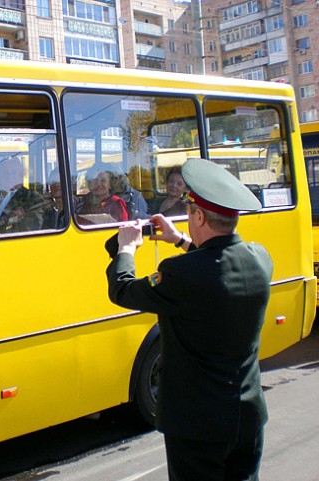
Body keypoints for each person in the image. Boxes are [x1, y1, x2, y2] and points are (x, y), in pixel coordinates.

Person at [105, 158, 271, 481]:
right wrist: (180, 239)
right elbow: (216, 264)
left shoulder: (181, 275)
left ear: (198, 215)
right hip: (247, 416)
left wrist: (126, 249)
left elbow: (124, 290)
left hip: (198, 426)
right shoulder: (259, 259)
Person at [0, 156, 44, 234]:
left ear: (22, 176)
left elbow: (30, 230)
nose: (9, 176)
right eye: (5, 173)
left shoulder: (32, 198)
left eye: (13, 172)